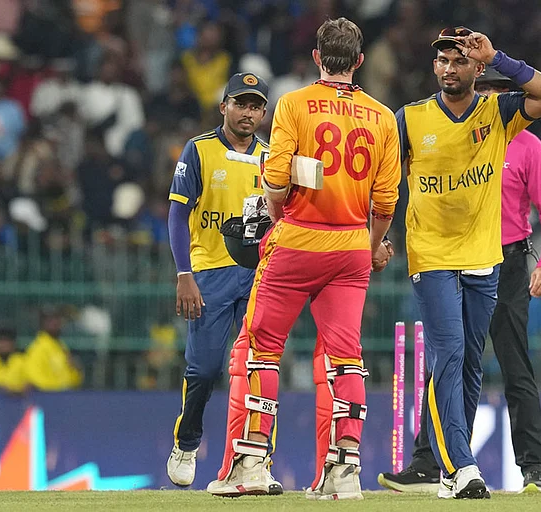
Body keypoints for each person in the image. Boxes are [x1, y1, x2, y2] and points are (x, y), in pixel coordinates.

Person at [205, 18, 400, 500]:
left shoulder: (293, 103)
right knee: (345, 357)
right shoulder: (382, 116)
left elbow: (274, 179)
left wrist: (276, 218)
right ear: (358, 61)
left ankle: (250, 462)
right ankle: (345, 470)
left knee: (258, 345)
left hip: (297, 237)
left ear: (317, 57)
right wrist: (372, 246)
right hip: (354, 245)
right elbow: (386, 202)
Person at [391, 27, 541, 499]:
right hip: (430, 254)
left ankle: (502, 468)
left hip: (489, 257)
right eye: (443, 61)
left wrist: (501, 57)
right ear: (434, 67)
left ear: (477, 69)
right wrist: (379, 236)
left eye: (460, 61)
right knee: (448, 353)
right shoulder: (410, 118)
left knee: (471, 363)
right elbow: (383, 182)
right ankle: (459, 466)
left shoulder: (500, 114)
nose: (449, 68)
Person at [165, 72, 280, 492]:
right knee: (206, 368)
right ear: (224, 107)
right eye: (240, 103)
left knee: (259, 366)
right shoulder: (198, 150)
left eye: (255, 106)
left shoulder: (273, 156)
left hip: (259, 275)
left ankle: (256, 458)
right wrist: (184, 274)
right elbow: (178, 215)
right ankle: (186, 442)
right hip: (209, 272)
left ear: (264, 113)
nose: (247, 112)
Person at [24, 307, 83, 391]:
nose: (55, 323)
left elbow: (72, 380)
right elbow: (35, 379)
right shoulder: (38, 347)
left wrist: (76, 371)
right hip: (48, 398)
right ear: (42, 323)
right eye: (50, 320)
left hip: (65, 396)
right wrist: (58, 388)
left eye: (57, 319)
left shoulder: (61, 346)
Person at [0, 328, 27, 393]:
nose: (3, 345)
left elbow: (31, 381)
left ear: (13, 344)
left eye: (6, 341)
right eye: (0, 342)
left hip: (18, 400)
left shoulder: (22, 360)